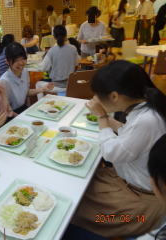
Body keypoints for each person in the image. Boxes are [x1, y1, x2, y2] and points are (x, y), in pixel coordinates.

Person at [71, 60, 166, 238]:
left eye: (98, 95)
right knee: (76, 184)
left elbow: (111, 153)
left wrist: (101, 117)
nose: (97, 99)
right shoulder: (145, 107)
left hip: (141, 200)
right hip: (128, 182)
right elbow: (129, 135)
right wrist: (108, 120)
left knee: (75, 209)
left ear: (114, 96)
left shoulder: (147, 120)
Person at [0, 42, 54, 114]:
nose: (21, 63)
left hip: (22, 109)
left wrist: (43, 89)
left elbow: (26, 92)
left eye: (23, 58)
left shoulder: (25, 72)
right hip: (11, 115)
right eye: (16, 60)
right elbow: (6, 110)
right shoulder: (4, 81)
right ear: (7, 61)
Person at [36, 25, 79, 99]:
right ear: (66, 35)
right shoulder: (73, 48)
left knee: (38, 84)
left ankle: (41, 104)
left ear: (54, 37)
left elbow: (43, 68)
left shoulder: (52, 50)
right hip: (70, 84)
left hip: (56, 86)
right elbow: (76, 65)